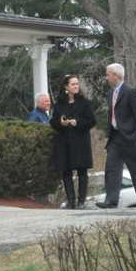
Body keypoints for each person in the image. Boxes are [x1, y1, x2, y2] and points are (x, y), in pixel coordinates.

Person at [97, 63, 136, 208]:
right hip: (115, 138)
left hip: (130, 138)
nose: (106, 77)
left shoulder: (131, 92)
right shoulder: (110, 93)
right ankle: (111, 200)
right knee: (111, 169)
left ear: (116, 75)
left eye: (108, 74)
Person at [50, 75, 96, 209]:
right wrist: (61, 123)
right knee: (66, 171)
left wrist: (77, 122)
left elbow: (92, 121)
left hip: (80, 141)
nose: (76, 86)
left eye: (77, 84)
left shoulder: (84, 102)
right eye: (73, 84)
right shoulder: (59, 104)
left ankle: (82, 201)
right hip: (64, 142)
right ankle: (71, 201)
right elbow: (53, 122)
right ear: (66, 87)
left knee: (82, 171)